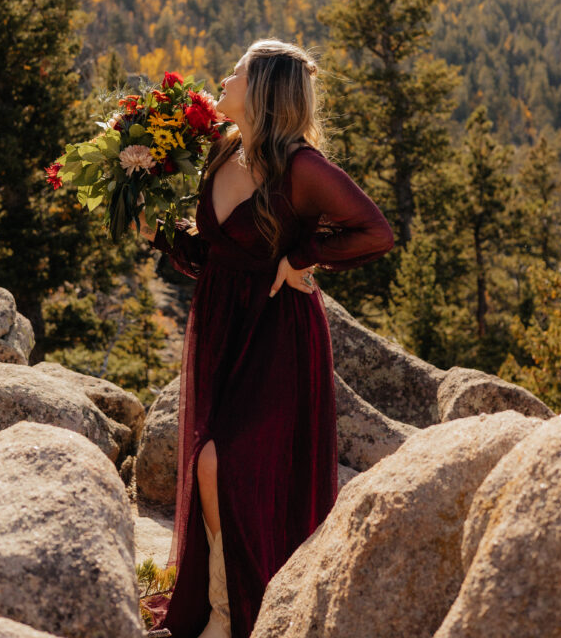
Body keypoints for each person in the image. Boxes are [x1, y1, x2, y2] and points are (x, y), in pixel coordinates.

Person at [136, 38, 394, 638]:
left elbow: (375, 232)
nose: (223, 81)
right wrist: (160, 234)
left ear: (263, 94)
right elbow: (214, 256)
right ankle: (226, 609)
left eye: (236, 73)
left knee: (223, 464)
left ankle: (234, 616)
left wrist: (302, 256)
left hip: (278, 333)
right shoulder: (224, 151)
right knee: (213, 463)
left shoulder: (301, 167)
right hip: (223, 326)